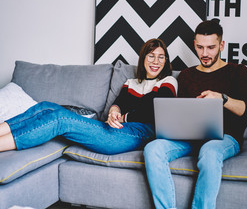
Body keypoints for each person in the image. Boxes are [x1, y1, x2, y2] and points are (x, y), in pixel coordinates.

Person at [144, 19, 247, 209]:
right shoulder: (187, 75)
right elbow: (180, 112)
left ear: (221, 45)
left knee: (210, 152)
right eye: (200, 47)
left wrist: (222, 98)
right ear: (194, 45)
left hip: (225, 137)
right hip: (189, 138)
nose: (204, 54)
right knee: (152, 149)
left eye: (211, 47)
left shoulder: (237, 71)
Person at [0, 38, 177, 155]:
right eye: (151, 56)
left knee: (60, 119)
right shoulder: (130, 82)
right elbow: (118, 104)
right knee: (47, 106)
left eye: (161, 57)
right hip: (114, 128)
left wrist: (123, 117)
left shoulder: (168, 81)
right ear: (143, 58)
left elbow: (154, 109)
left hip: (138, 133)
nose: (156, 61)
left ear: (166, 61)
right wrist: (113, 112)